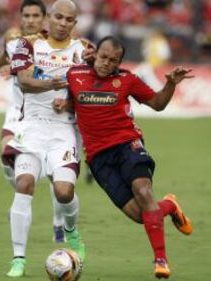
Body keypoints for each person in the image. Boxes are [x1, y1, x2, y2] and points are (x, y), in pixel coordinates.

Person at [53, 36, 194, 279]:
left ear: (119, 62)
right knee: (141, 216)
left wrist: (171, 84)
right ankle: (170, 205)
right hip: (98, 158)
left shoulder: (127, 80)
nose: (106, 63)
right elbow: (73, 103)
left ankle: (161, 261)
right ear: (95, 53)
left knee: (143, 192)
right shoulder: (74, 74)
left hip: (128, 145)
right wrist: (62, 105)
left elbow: (158, 104)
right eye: (103, 57)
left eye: (113, 60)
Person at [2, 0, 94, 277]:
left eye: (69, 19)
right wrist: (55, 84)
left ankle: (71, 230)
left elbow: (91, 90)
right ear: (48, 19)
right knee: (25, 184)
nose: (63, 23)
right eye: (58, 17)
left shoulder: (84, 51)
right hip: (31, 128)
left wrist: (68, 103)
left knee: (64, 192)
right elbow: (25, 83)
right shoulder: (26, 46)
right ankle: (18, 258)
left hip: (64, 129)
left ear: (74, 24)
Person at [0, 0, 66, 244]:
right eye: (27, 15)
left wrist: (24, 72)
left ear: (45, 18)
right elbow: (5, 55)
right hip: (17, 115)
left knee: (56, 175)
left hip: (47, 116)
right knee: (6, 157)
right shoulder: (14, 40)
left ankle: (58, 222)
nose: (31, 20)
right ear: (20, 17)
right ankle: (21, 199)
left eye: (36, 16)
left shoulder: (53, 43)